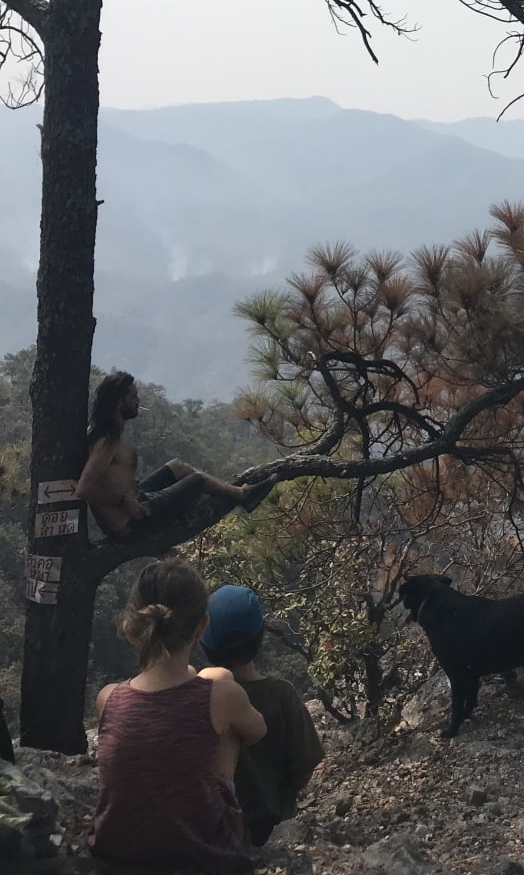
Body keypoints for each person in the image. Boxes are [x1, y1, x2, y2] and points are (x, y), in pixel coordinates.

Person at [89, 557, 267, 873]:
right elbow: (257, 731)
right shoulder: (221, 694)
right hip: (204, 857)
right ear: (202, 626)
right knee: (221, 724)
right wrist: (216, 680)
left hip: (114, 858)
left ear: (131, 630)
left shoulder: (108, 698)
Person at [75, 372, 273, 539]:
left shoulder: (107, 434)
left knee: (178, 467)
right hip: (131, 523)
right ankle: (242, 495)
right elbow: (85, 488)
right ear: (120, 402)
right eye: (133, 397)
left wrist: (129, 500)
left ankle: (239, 493)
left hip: (135, 502)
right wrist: (122, 503)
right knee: (197, 480)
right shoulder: (107, 440)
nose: (138, 401)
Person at [199, 585, 325, 848]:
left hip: (217, 833)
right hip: (274, 827)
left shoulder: (198, 697)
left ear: (204, 642)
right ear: (260, 636)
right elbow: (305, 762)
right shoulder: (282, 695)